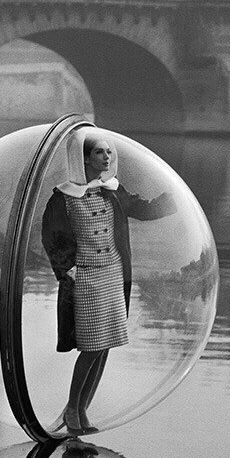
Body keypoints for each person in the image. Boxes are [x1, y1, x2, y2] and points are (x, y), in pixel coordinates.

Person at [41, 127, 176, 435]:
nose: (106, 157)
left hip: (113, 274)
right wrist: (66, 269)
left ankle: (81, 410)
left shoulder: (113, 190)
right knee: (90, 346)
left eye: (109, 151)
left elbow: (143, 209)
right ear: (85, 157)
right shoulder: (62, 198)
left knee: (105, 346)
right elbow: (52, 236)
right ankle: (72, 407)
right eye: (99, 152)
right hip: (86, 277)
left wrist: (174, 198)